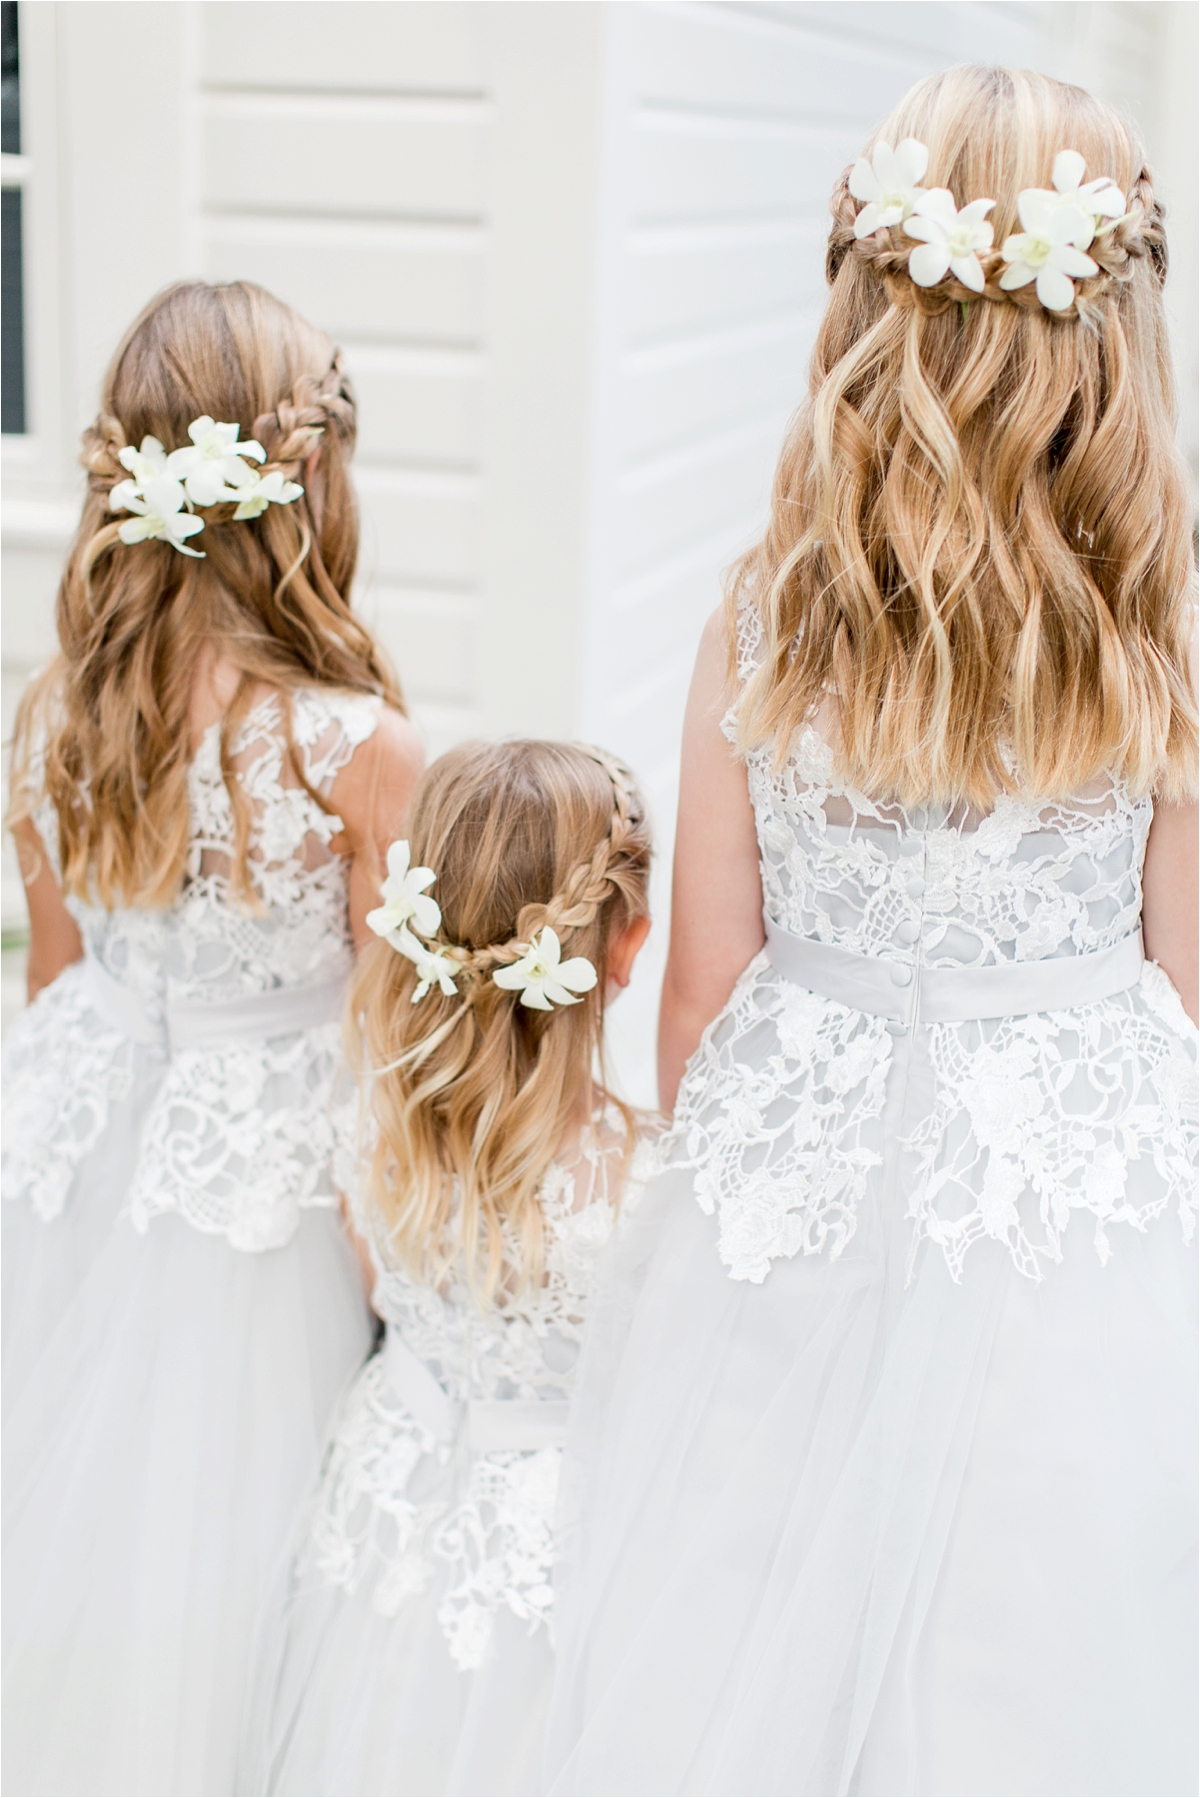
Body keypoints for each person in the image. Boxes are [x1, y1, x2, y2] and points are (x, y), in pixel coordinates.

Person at [544, 65, 1198, 1798]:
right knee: (1047, 1649)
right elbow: (1191, 987)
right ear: (1116, 327)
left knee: (755, 1625)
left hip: (800, 1180)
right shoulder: (1165, 633)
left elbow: (698, 1000)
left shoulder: (763, 619)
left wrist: (741, 1217)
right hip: (1080, 1216)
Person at [2, 279, 424, 1795]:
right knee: (231, 1552)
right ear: (308, 479)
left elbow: (56, 983)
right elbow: (391, 1057)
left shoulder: (55, 717)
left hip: (75, 1144)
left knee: (80, 1520)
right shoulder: (353, 746)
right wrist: (413, 1298)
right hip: (262, 1202)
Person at [242, 738, 653, 1797]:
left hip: (389, 1505)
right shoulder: (651, 1187)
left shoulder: (374, 1115)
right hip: (546, 1558)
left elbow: (377, 1286)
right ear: (628, 944)